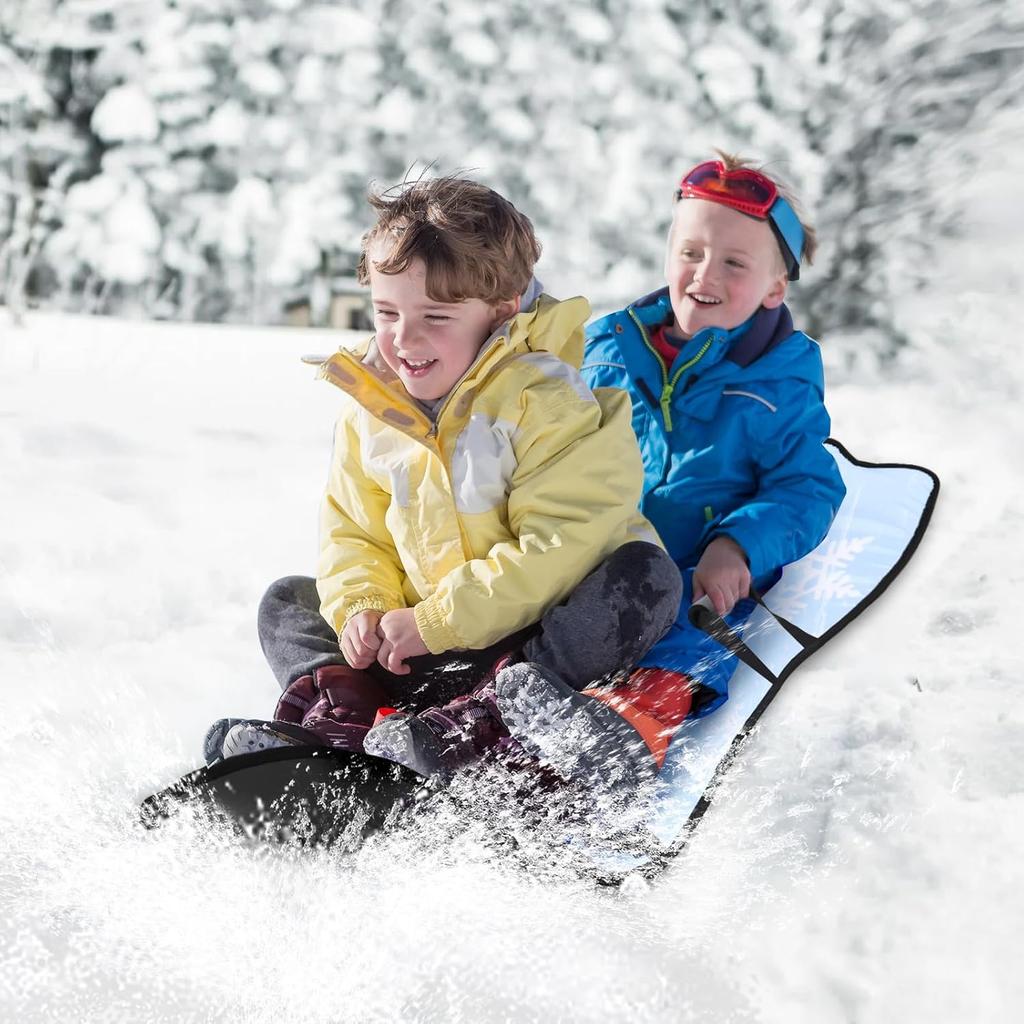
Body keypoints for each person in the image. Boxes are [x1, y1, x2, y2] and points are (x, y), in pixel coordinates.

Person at [203, 175, 682, 779]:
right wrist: (365, 609)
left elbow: (558, 547)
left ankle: (489, 722)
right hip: (413, 645)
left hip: (521, 637)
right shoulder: (372, 410)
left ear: (501, 310)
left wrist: (440, 622)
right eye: (387, 312)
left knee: (645, 577)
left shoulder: (545, 400)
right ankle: (336, 722)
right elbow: (355, 532)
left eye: (435, 315)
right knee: (290, 599)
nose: (405, 338)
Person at [490, 153, 847, 789]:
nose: (704, 273)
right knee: (520, 613)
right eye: (690, 251)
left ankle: (625, 736)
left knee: (691, 635)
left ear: (774, 288)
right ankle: (468, 725)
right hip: (591, 557)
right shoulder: (603, 346)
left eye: (734, 263)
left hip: (692, 571)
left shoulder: (781, 379)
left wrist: (738, 544)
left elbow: (807, 484)